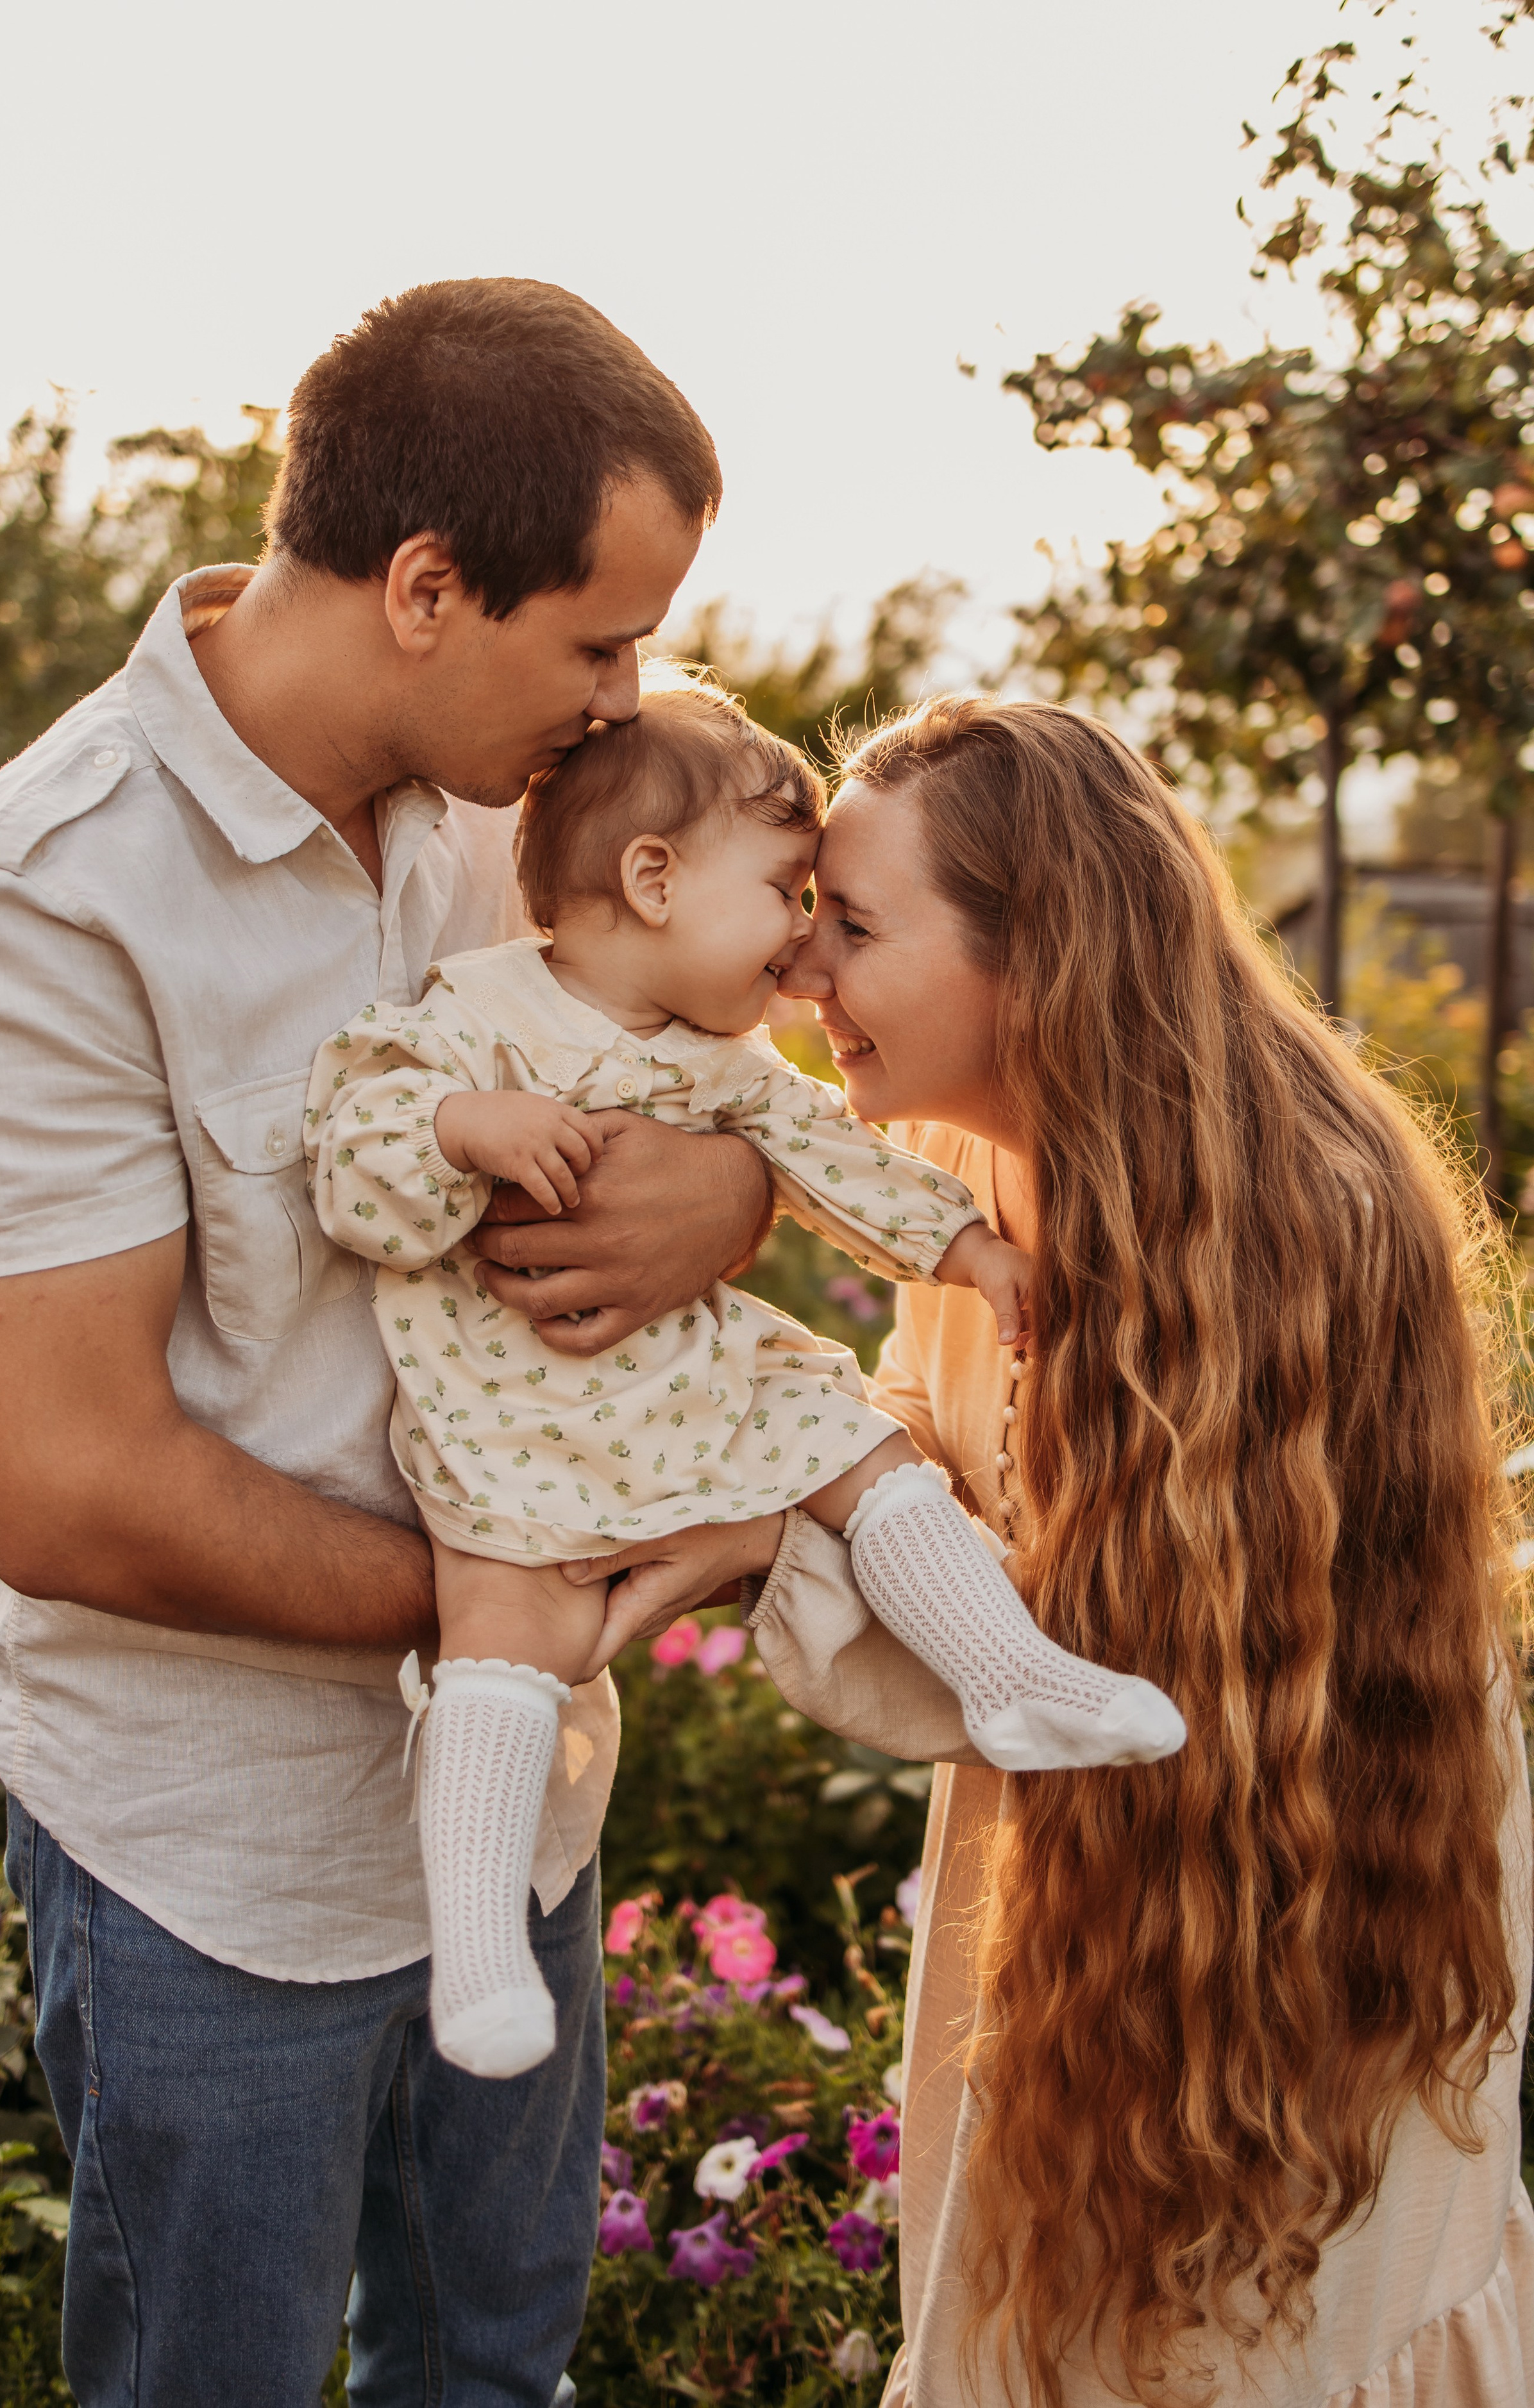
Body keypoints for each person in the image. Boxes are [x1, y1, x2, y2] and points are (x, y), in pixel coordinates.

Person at [0, 279, 773, 2408]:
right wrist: (508, 1617)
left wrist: (728, 1193)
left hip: (522, 1817)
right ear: (423, 585)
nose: (628, 696)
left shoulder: (535, 798)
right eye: (595, 641)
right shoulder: (42, 902)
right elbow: (78, 1484)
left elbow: (726, 1050)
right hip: (219, 1848)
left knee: (490, 2362)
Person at [578, 696, 1533, 2406]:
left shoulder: (1291, 1219)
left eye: (854, 926)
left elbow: (1105, 1667)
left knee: (1237, 2338)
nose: (804, 973)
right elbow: (911, 1443)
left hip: (1275, 1931)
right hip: (1090, 1911)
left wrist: (783, 1521)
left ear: (1041, 957)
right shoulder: (968, 1165)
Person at [306, 675, 1183, 2081]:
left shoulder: (731, 1063)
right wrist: (467, 1128)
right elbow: (360, 1166)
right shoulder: (469, 1015)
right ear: (651, 877)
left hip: (694, 1385)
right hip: (505, 1411)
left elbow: (839, 1163)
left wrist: (963, 1249)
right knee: (498, 1626)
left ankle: (1013, 1674)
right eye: (787, 894)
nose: (797, 947)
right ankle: (470, 1949)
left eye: (833, 915)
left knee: (852, 1445)